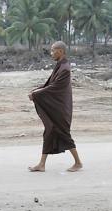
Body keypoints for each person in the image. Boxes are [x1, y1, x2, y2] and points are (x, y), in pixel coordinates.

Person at [28, 41, 83, 173]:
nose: (51, 53)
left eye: (53, 50)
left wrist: (36, 94)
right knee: (49, 133)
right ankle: (42, 164)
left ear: (61, 51)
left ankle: (78, 162)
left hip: (60, 108)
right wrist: (36, 90)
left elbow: (54, 87)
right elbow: (48, 84)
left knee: (64, 134)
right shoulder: (60, 66)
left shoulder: (65, 69)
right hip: (56, 107)